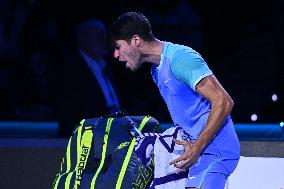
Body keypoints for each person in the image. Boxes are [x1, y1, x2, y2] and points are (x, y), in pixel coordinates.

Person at [109, 12, 240, 189]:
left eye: (118, 46)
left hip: (217, 151)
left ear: (136, 40)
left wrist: (197, 146)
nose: (116, 54)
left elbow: (224, 101)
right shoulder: (155, 71)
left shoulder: (180, 59)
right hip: (196, 153)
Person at [56, 19, 121, 137]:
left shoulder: (105, 67)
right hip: (85, 142)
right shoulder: (70, 70)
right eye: (100, 37)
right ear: (84, 39)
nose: (105, 42)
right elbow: (71, 112)